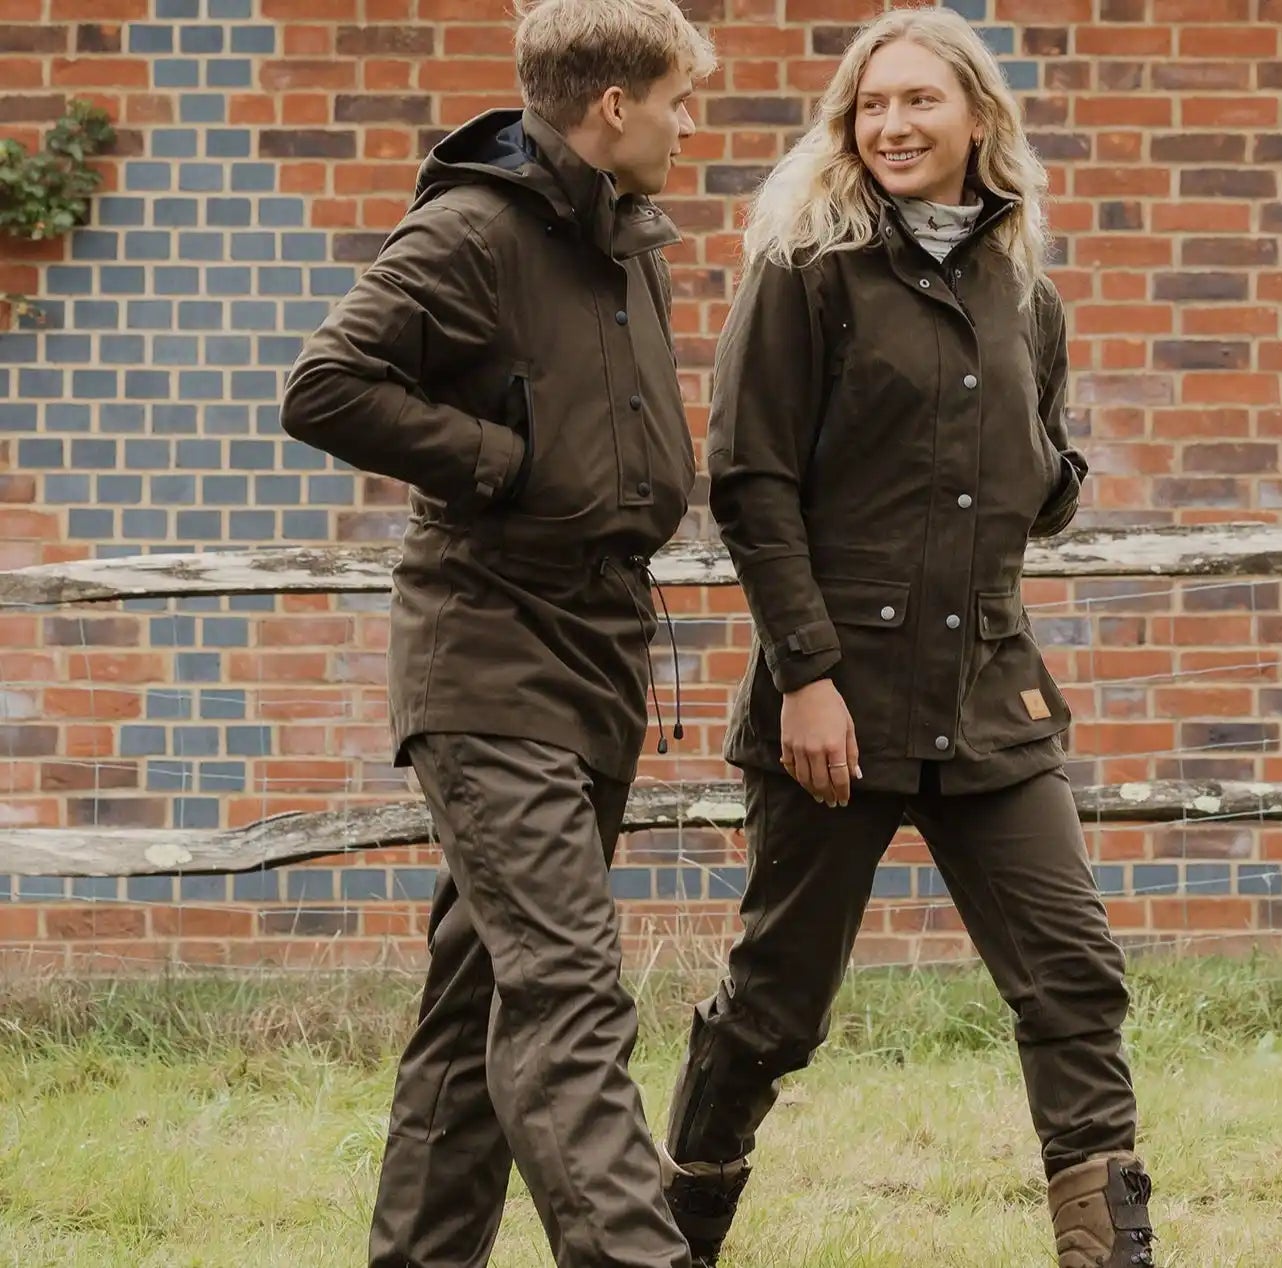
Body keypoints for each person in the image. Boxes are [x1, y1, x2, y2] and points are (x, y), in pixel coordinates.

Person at [656, 10, 1156, 1268]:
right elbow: (752, 483)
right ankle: (672, 1236)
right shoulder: (805, 268)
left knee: (1074, 977)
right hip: (843, 699)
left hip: (992, 692)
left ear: (976, 117)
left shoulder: (1021, 287)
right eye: (872, 105)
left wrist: (1049, 470)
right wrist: (808, 680)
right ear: (848, 122)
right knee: (776, 1008)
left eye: (920, 102)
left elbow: (1040, 469)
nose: (893, 125)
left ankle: (1111, 1253)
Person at [279, 2, 714, 1265]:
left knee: (478, 999)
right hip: (488, 657)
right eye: (679, 101)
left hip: (599, 654)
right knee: (571, 993)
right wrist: (495, 460)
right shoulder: (470, 230)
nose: (690, 126)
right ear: (615, 107)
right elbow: (325, 384)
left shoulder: (631, 242)